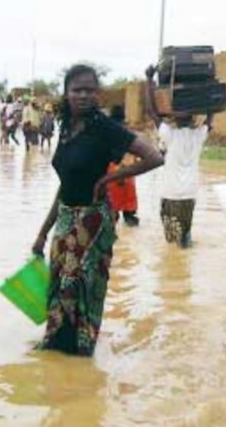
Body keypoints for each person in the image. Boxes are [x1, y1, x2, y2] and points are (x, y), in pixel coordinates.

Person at [32, 64, 164, 356]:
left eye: (89, 90)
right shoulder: (66, 128)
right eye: (76, 90)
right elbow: (64, 184)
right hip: (66, 218)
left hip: (92, 221)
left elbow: (154, 157)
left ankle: (81, 353)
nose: (82, 95)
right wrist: (42, 233)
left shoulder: (105, 129)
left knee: (81, 288)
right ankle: (56, 351)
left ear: (97, 94)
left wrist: (110, 177)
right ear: (66, 94)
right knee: (58, 286)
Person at [143, 65, 212, 248]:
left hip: (171, 193)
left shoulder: (169, 134)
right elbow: (211, 115)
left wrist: (149, 79)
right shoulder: (199, 135)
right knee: (185, 235)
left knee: (171, 241)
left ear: (174, 116)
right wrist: (208, 87)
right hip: (189, 194)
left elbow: (152, 112)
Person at [105, 105, 141, 227]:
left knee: (111, 212)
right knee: (129, 206)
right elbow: (138, 155)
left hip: (112, 172)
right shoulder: (130, 133)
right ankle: (129, 217)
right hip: (128, 172)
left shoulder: (107, 132)